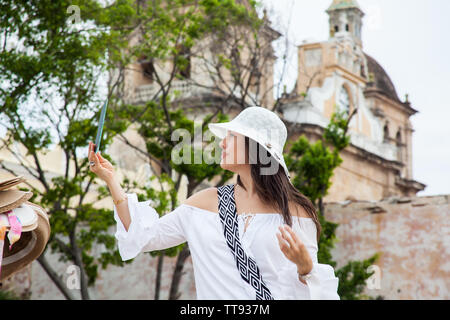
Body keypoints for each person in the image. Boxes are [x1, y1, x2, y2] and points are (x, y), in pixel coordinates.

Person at [88, 106, 340, 299]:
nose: (222, 141)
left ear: (255, 147)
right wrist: (111, 180)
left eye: (231, 135)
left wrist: (306, 267)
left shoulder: (296, 212)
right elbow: (142, 235)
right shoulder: (205, 204)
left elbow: (311, 290)